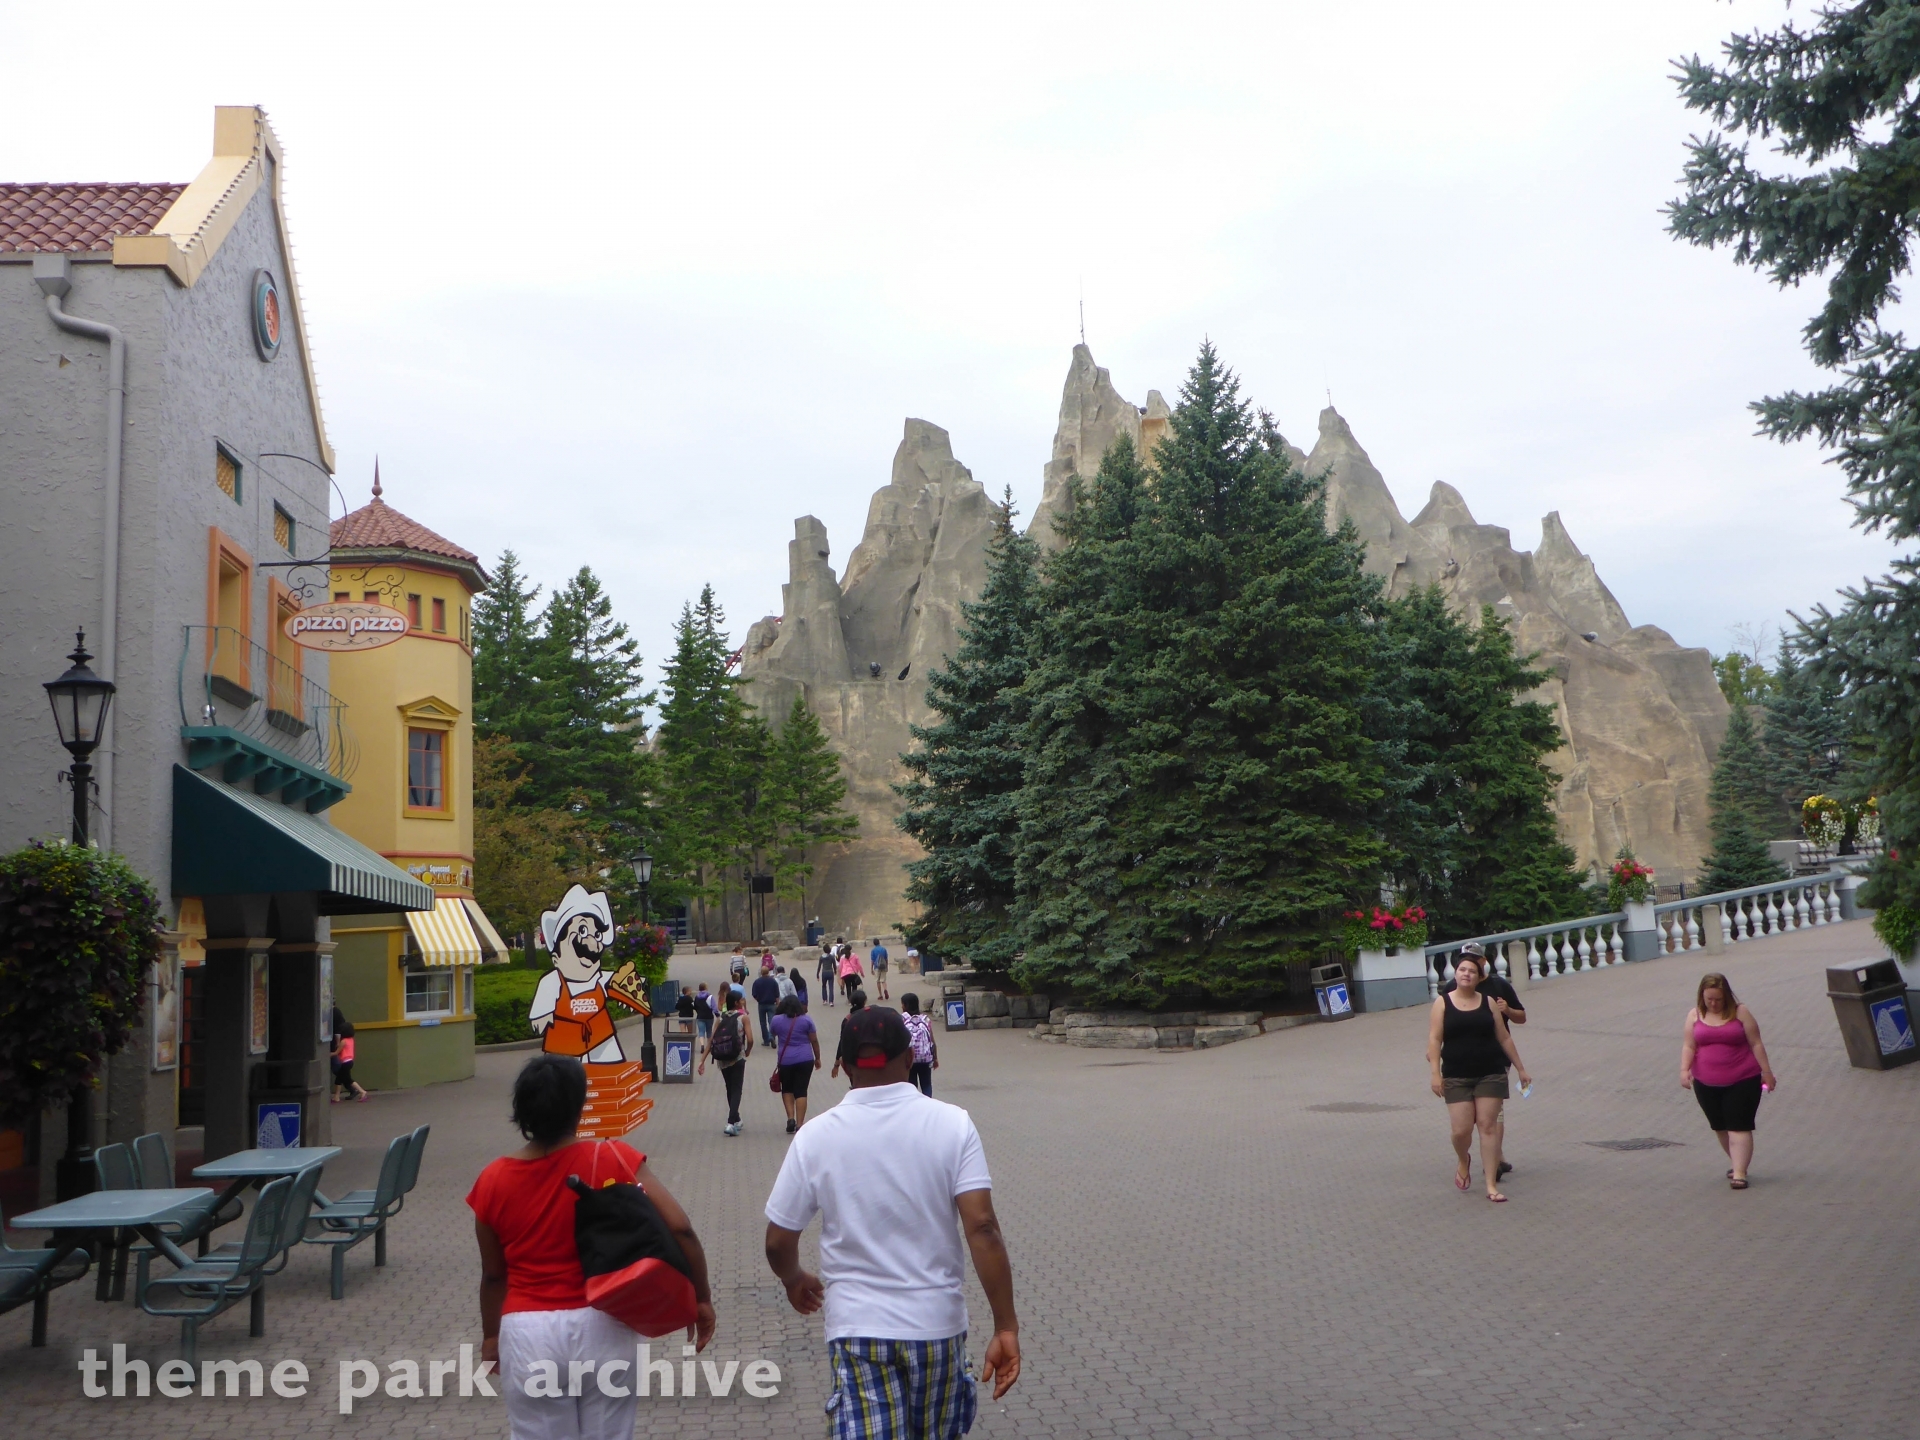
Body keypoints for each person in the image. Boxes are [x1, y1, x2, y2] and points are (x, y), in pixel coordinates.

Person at [764, 1007, 1021, 1436]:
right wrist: (1006, 1325)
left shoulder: (815, 1137)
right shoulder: (953, 1124)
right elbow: (983, 1228)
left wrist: (794, 1278)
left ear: (845, 1067)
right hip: (936, 1325)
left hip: (858, 1327)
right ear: (909, 1058)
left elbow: (777, 1241)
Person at [469, 1054, 716, 1439]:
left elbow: (493, 1276)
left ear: (522, 1110)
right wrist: (699, 1298)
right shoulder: (613, 1158)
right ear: (579, 1106)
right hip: (604, 1323)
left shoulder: (492, 1180)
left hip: (528, 1333)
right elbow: (681, 1229)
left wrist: (490, 1337)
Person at [1427, 952, 1531, 1202]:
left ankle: (1491, 1185)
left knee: (1487, 1127)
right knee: (1461, 1131)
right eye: (1462, 969)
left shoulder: (1489, 1002)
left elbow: (1504, 1037)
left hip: (1490, 1072)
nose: (1467, 974)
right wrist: (1435, 1074)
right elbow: (1435, 1039)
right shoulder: (1442, 1002)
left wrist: (1521, 1068)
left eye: (1472, 971)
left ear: (1479, 977)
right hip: (1456, 1075)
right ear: (1455, 973)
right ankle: (1463, 1159)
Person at [1681, 972, 1778, 1190]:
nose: (1714, 1004)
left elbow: (1756, 1043)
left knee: (1739, 1126)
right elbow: (1689, 1045)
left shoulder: (1741, 1013)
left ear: (1726, 996)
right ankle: (1736, 1162)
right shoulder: (1694, 1015)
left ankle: (1740, 1173)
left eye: (1718, 999)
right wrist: (1684, 1070)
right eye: (1709, 999)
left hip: (1743, 1079)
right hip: (1706, 1083)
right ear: (1702, 996)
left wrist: (1766, 1072)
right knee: (1720, 1126)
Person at [698, 989, 754, 1135]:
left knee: (729, 1088)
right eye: (741, 1000)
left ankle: (737, 1119)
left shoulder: (720, 1019)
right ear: (736, 1003)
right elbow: (750, 1039)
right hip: (737, 1057)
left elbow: (711, 1040)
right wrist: (747, 1051)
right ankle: (730, 1123)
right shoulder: (743, 1018)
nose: (743, 1002)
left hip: (722, 1059)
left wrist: (702, 1060)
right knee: (737, 1089)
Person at [771, 995, 822, 1134]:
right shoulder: (806, 1020)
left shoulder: (776, 1020)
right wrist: (818, 1058)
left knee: (787, 1088)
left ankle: (790, 1119)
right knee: (801, 1090)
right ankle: (800, 1124)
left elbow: (773, 1033)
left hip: (785, 1060)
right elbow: (814, 1040)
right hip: (805, 1059)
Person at [901, 992, 938, 1096]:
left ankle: (914, 1103)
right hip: (925, 1058)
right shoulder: (925, 1019)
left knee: (912, 1085)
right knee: (926, 1085)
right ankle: (928, 1103)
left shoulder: (902, 1020)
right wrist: (935, 1058)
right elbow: (932, 1040)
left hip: (910, 1059)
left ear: (905, 1005)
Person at [829, 986, 869, 1080]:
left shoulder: (847, 1020)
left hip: (853, 1059)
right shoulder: (870, 1016)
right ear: (865, 1001)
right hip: (870, 1056)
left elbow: (842, 1042)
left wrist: (836, 1065)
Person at [331, 1006, 367, 1102]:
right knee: (345, 1079)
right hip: (349, 1061)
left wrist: (329, 1054)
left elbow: (337, 1052)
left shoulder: (343, 1042)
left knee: (341, 1080)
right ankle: (337, 1096)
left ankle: (361, 1092)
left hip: (345, 1062)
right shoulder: (351, 1040)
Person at [751, 963, 782, 1047]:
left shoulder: (757, 982)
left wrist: (758, 999)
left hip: (761, 1004)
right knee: (771, 1021)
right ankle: (771, 1036)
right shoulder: (773, 981)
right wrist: (777, 1003)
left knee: (762, 1023)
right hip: (772, 1004)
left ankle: (766, 1040)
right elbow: (777, 994)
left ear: (761, 972)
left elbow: (754, 994)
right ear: (768, 972)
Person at [870, 937, 891, 1001]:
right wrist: (887, 966)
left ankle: (880, 995)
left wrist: (871, 968)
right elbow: (886, 958)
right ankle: (885, 989)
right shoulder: (883, 949)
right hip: (883, 966)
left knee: (878, 981)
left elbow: (872, 960)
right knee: (883, 980)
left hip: (877, 966)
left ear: (874, 943)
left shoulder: (873, 950)